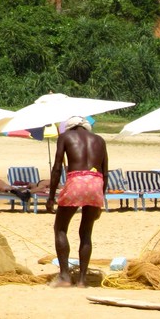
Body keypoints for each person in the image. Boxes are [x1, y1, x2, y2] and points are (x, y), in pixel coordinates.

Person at [46, 116, 108, 288]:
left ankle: (65, 276)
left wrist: (51, 197)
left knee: (60, 228)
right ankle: (82, 280)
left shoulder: (65, 137)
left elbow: (57, 167)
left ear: (69, 127)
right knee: (86, 233)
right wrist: (100, 201)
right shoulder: (100, 140)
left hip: (76, 181)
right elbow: (105, 172)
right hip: (96, 182)